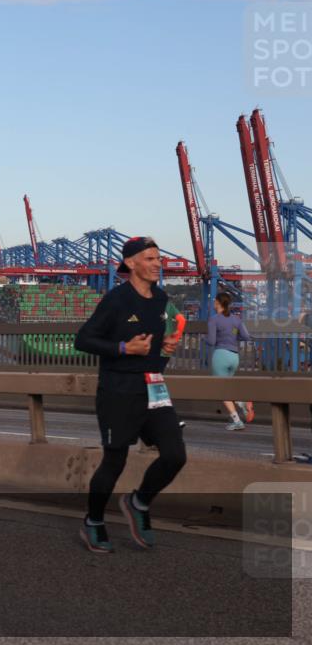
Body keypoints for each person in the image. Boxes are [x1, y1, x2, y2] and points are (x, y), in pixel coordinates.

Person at [74, 237, 186, 553]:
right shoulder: (116, 300)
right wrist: (124, 348)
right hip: (118, 391)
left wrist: (166, 349)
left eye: (158, 259)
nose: (157, 264)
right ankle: (93, 522)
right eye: (149, 259)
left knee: (175, 455)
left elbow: (160, 347)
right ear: (131, 263)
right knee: (115, 462)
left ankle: (138, 502)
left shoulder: (162, 300)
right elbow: (82, 340)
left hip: (154, 387)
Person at [207, 292, 254, 431]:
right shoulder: (236, 319)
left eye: (214, 301)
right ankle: (241, 403)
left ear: (217, 303)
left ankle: (237, 420)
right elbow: (246, 336)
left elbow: (211, 341)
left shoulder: (214, 319)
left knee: (222, 391)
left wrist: (205, 339)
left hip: (220, 355)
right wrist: (232, 339)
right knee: (227, 389)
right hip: (234, 356)